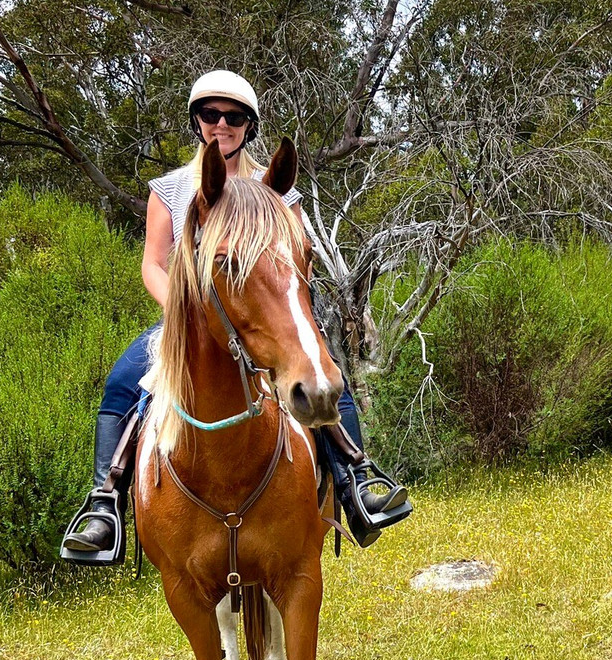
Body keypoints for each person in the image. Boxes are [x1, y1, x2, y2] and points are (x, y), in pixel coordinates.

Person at [62, 70, 409, 561]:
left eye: (234, 116)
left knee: (326, 374)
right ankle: (105, 501)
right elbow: (153, 264)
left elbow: (293, 261)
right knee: (123, 382)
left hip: (266, 317)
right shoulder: (173, 189)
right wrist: (182, 313)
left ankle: (356, 477)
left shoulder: (275, 190)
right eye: (211, 114)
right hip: (193, 321)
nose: (221, 124)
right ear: (197, 121)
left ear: (249, 125)